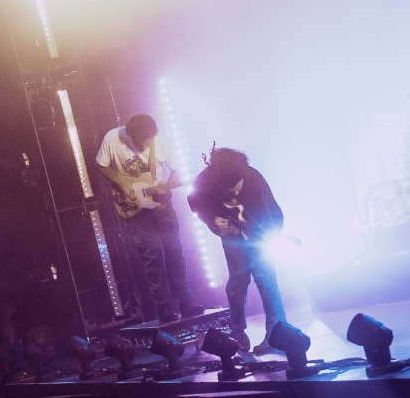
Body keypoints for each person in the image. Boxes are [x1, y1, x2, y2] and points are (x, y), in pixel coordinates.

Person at [96, 113, 203, 324]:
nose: (142, 146)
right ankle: (163, 306)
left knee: (174, 250)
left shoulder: (161, 141)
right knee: (152, 254)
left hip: (161, 204)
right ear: (128, 134)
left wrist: (168, 185)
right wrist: (122, 184)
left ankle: (185, 301)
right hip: (133, 208)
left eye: (146, 142)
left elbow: (176, 171)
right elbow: (101, 165)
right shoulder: (113, 138)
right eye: (138, 142)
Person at [187, 147, 286, 354]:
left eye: (237, 188)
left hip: (260, 239)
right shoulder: (206, 180)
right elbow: (195, 200)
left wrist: (273, 235)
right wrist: (213, 219)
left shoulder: (254, 178)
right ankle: (237, 332)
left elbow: (274, 211)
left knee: (268, 283)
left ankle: (277, 334)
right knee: (236, 286)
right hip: (233, 240)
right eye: (228, 191)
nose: (234, 194)